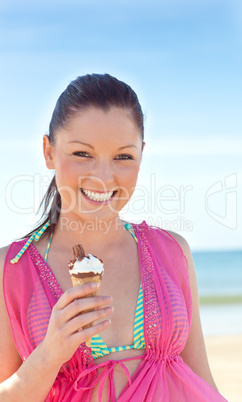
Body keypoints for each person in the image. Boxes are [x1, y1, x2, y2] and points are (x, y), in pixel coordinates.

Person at [0, 73, 227, 401]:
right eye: (82, 153)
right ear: (49, 151)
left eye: (123, 156)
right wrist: (49, 355)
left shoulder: (171, 251)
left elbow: (202, 383)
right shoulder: (13, 268)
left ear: (141, 155)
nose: (104, 177)